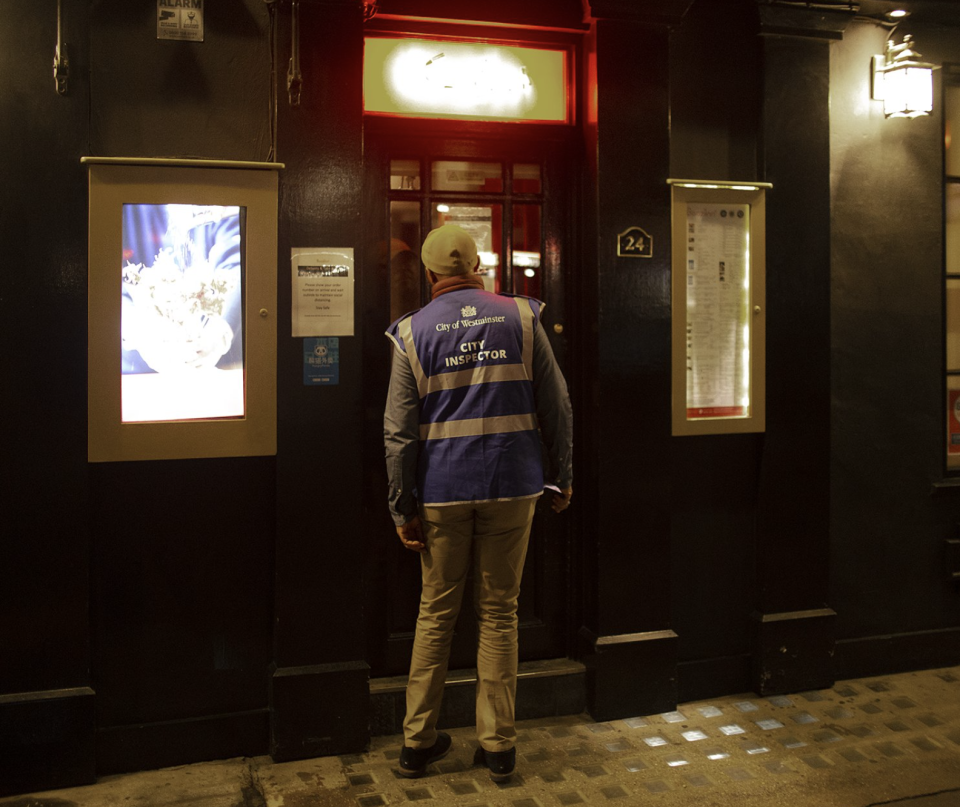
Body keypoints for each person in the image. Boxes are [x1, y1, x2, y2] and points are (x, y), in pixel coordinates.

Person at [383, 223, 573, 782]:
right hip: (515, 484)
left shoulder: (411, 333)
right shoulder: (520, 316)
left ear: (429, 272)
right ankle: (498, 746)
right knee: (500, 613)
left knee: (436, 613)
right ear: (478, 267)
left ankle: (417, 743)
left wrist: (402, 507)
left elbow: (398, 433)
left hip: (442, 491)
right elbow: (557, 403)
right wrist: (562, 476)